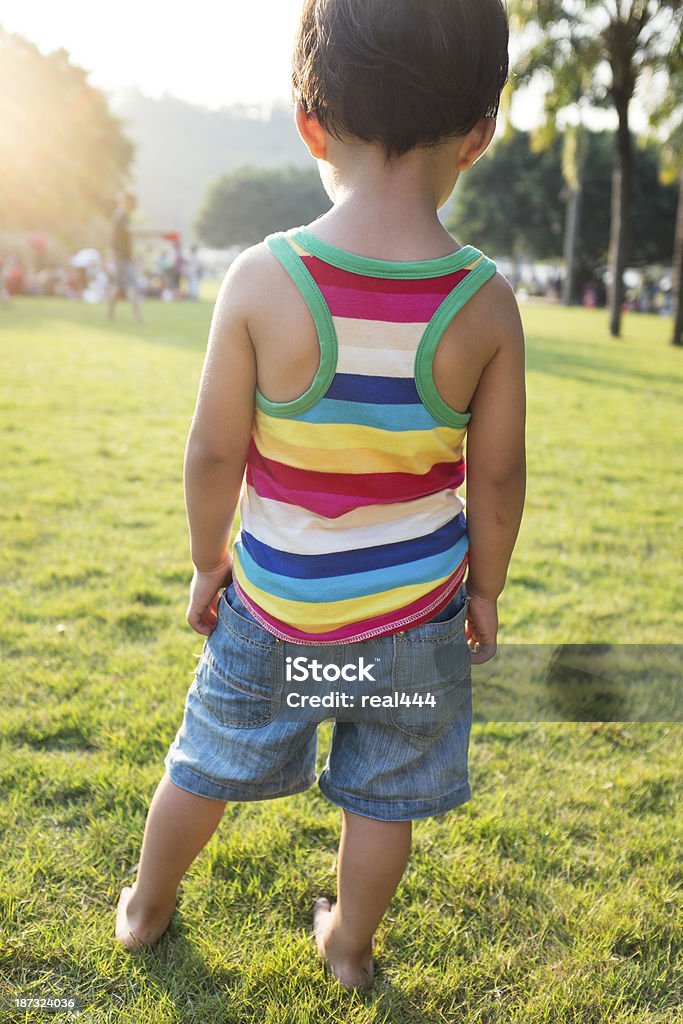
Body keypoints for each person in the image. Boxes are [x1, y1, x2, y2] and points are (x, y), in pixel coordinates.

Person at [115, 0, 525, 993]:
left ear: (310, 123)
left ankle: (146, 903)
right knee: (383, 795)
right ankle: (346, 947)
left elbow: (215, 450)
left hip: (276, 608)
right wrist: (484, 590)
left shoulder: (263, 279)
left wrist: (209, 558)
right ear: (479, 133)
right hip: (411, 619)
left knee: (205, 758)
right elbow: (499, 475)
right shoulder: (482, 303)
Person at [107, 190, 143, 322]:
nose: (135, 205)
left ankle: (113, 313)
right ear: (127, 201)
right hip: (120, 257)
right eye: (134, 202)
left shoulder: (123, 215)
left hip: (124, 256)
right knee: (128, 285)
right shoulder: (121, 216)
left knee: (122, 285)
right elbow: (130, 231)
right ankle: (136, 315)